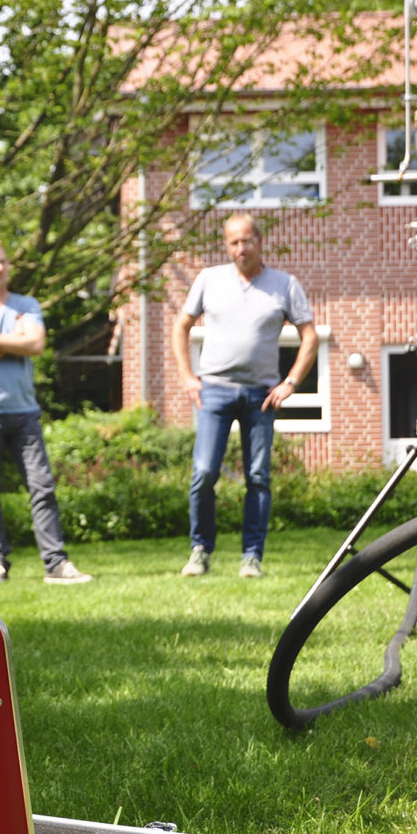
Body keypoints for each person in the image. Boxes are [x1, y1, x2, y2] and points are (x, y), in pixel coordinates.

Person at [171, 213, 317, 579]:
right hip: (214, 391)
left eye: (247, 241)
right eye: (234, 242)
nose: (241, 248)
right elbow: (181, 326)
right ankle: (200, 550)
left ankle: (252, 556)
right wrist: (188, 376)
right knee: (204, 472)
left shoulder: (284, 284)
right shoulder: (209, 280)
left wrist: (291, 382)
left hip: (261, 396)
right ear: (226, 245)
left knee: (257, 476)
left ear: (259, 241)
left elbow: (310, 336)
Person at [0, 237, 92, 585]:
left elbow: (36, 344)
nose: (0, 269)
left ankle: (56, 564)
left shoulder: (26, 304)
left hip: (24, 411)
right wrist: (13, 338)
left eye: (3, 262)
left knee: (42, 486)